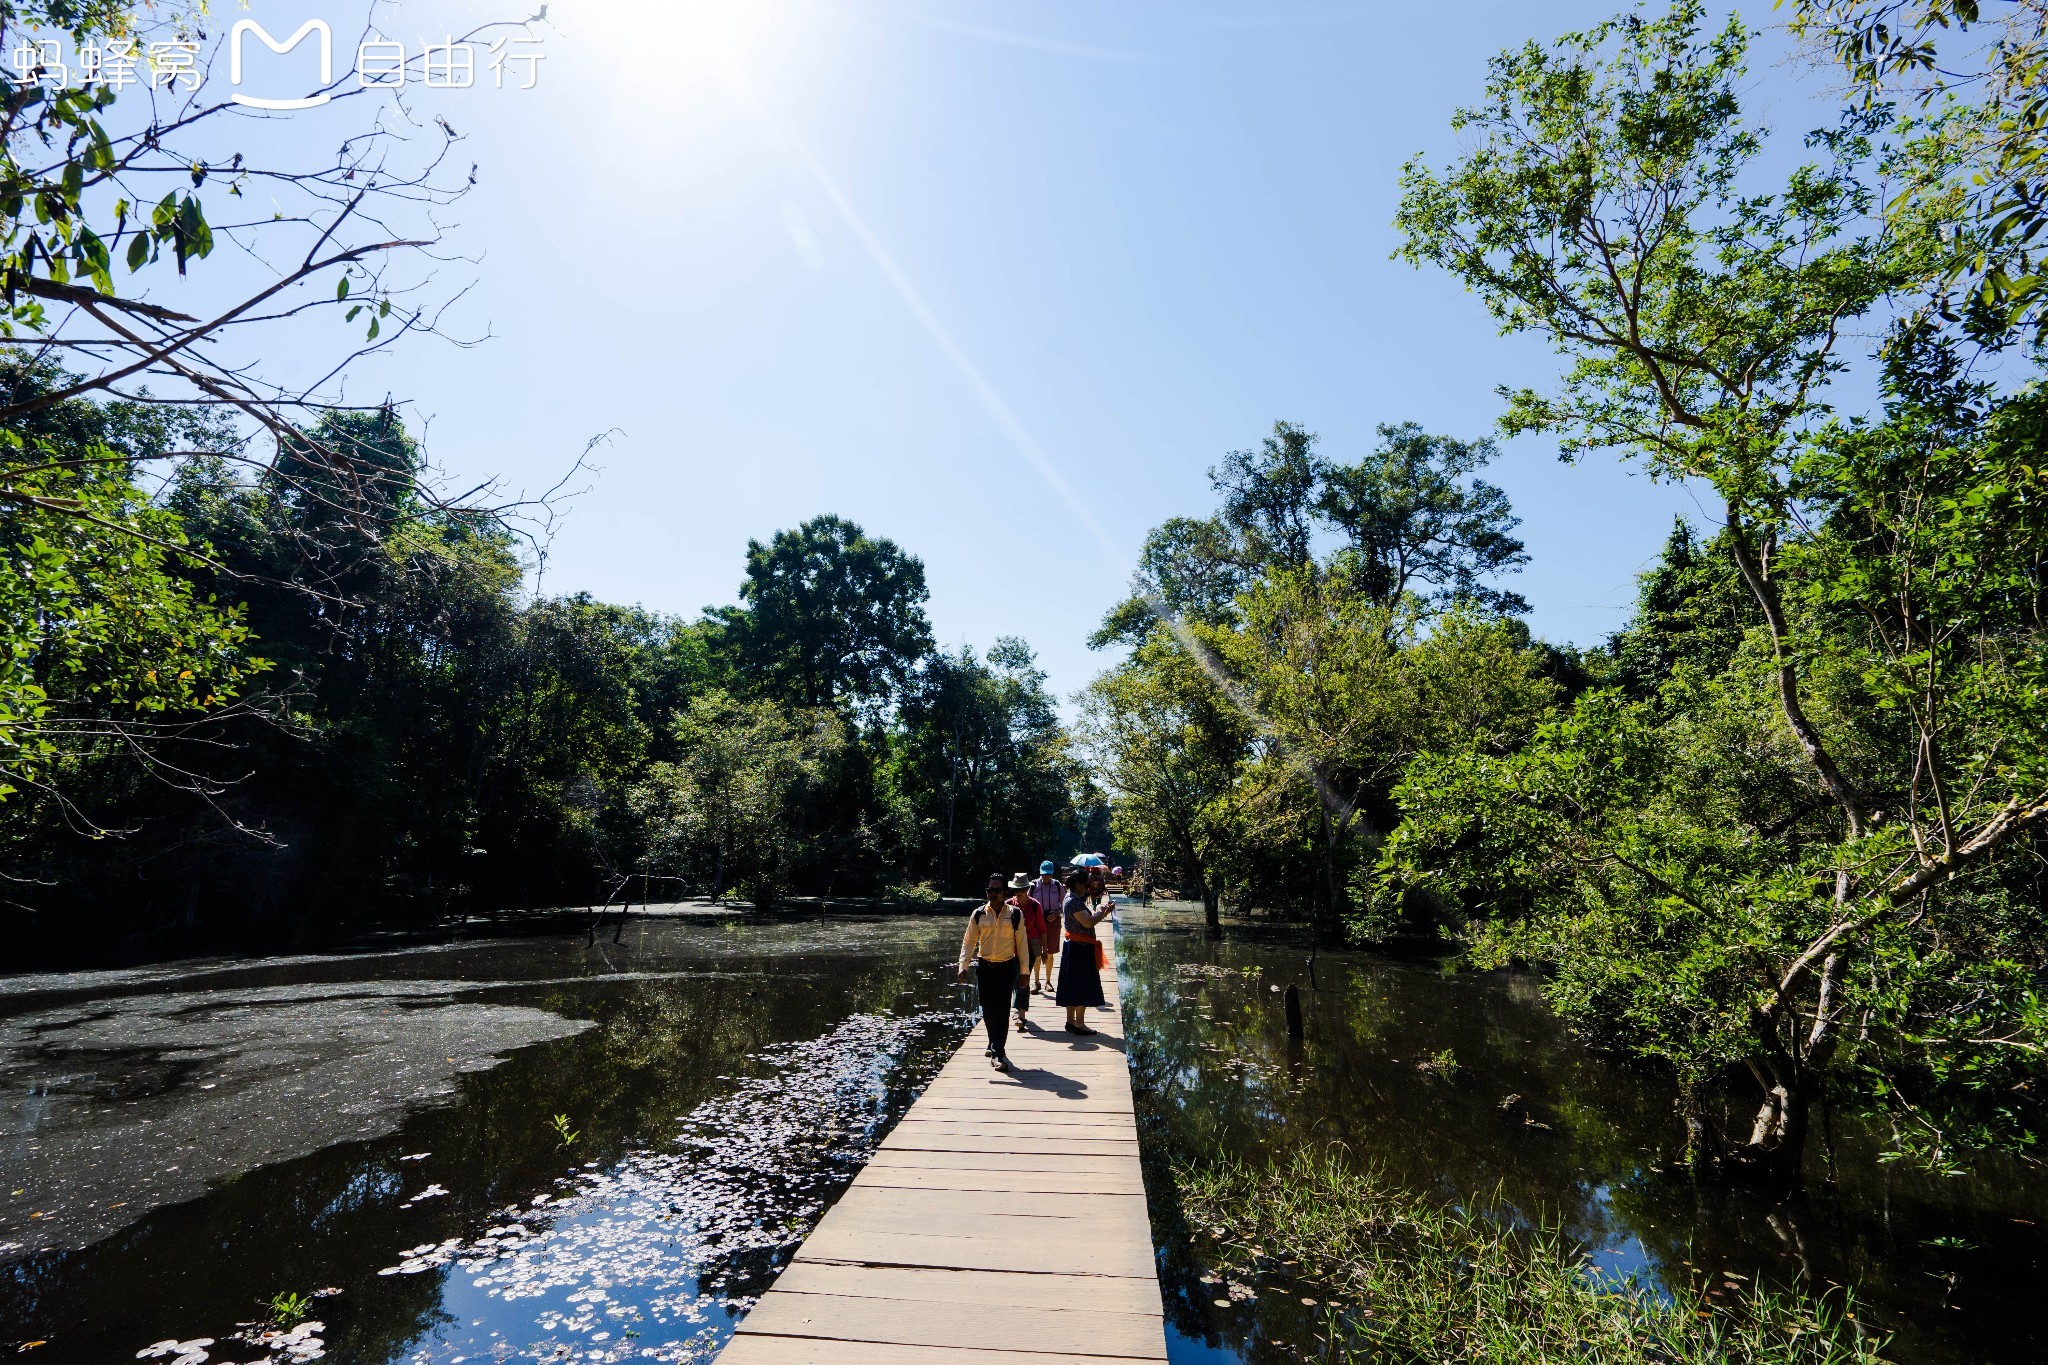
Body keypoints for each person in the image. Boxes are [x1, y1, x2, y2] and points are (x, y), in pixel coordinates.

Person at [958, 873, 1031, 1069]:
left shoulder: (1015, 914)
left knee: (1003, 1010)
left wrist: (1024, 972)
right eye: (989, 890)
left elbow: (1022, 944)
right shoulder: (978, 914)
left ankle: (998, 1052)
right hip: (985, 968)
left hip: (1006, 967)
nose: (992, 894)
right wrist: (963, 966)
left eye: (997, 890)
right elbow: (969, 942)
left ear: (1004, 892)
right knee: (988, 1010)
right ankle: (993, 1042)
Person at [1056, 869, 1115, 1034]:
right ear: (1077, 884)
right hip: (1079, 948)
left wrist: (1100, 912)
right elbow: (1088, 923)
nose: (1087, 888)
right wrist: (1103, 913)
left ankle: (1070, 1022)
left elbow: (1085, 920)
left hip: (1074, 947)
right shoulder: (1074, 901)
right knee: (1080, 984)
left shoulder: (1070, 898)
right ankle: (1079, 1024)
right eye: (1085, 884)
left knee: (1071, 984)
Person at [1007, 873, 1043, 1031]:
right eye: (1016, 890)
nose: (1019, 893)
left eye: (1022, 889)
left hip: (1029, 948)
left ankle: (1021, 1014)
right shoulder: (1007, 905)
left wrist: (1045, 950)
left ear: (1028, 889)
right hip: (1010, 950)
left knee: (1024, 977)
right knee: (1014, 979)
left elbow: (1042, 930)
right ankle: (1017, 1009)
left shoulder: (1035, 905)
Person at [1029, 861, 1064, 993]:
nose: (1046, 877)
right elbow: (1027, 904)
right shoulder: (1033, 886)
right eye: (1044, 874)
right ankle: (1036, 982)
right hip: (1036, 921)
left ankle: (1048, 982)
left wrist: (1056, 913)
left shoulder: (1057, 885)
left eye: (1048, 874)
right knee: (1036, 952)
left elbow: (1064, 904)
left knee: (1049, 951)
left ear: (1052, 873)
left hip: (1053, 921)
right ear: (1040, 873)